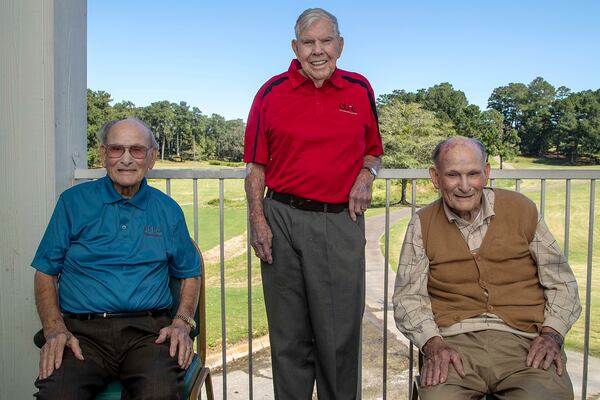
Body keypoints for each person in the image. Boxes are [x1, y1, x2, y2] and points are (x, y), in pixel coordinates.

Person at [243, 8, 383, 399]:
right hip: (282, 218)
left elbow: (374, 151)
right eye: (309, 42)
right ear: (295, 47)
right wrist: (258, 220)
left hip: (339, 220)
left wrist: (366, 175)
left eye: (326, 41)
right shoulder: (271, 93)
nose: (317, 51)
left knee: (339, 337)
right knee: (289, 336)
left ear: (340, 45)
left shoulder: (359, 89)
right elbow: (255, 167)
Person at [392, 136, 581, 399]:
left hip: (525, 344)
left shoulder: (522, 210)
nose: (465, 186)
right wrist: (433, 344)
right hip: (453, 345)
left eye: (473, 174)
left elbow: (562, 282)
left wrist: (552, 334)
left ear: (487, 173)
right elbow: (407, 297)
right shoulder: (421, 224)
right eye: (453, 175)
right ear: (435, 178)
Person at [32, 117, 201, 399]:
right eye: (115, 149)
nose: (125, 159)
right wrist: (54, 329)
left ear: (151, 158)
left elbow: (189, 273)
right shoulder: (72, 202)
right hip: (82, 334)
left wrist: (182, 323)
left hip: (148, 333)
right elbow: (45, 271)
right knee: (56, 395)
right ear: (102, 155)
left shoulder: (168, 210)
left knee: (159, 393)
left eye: (136, 150)